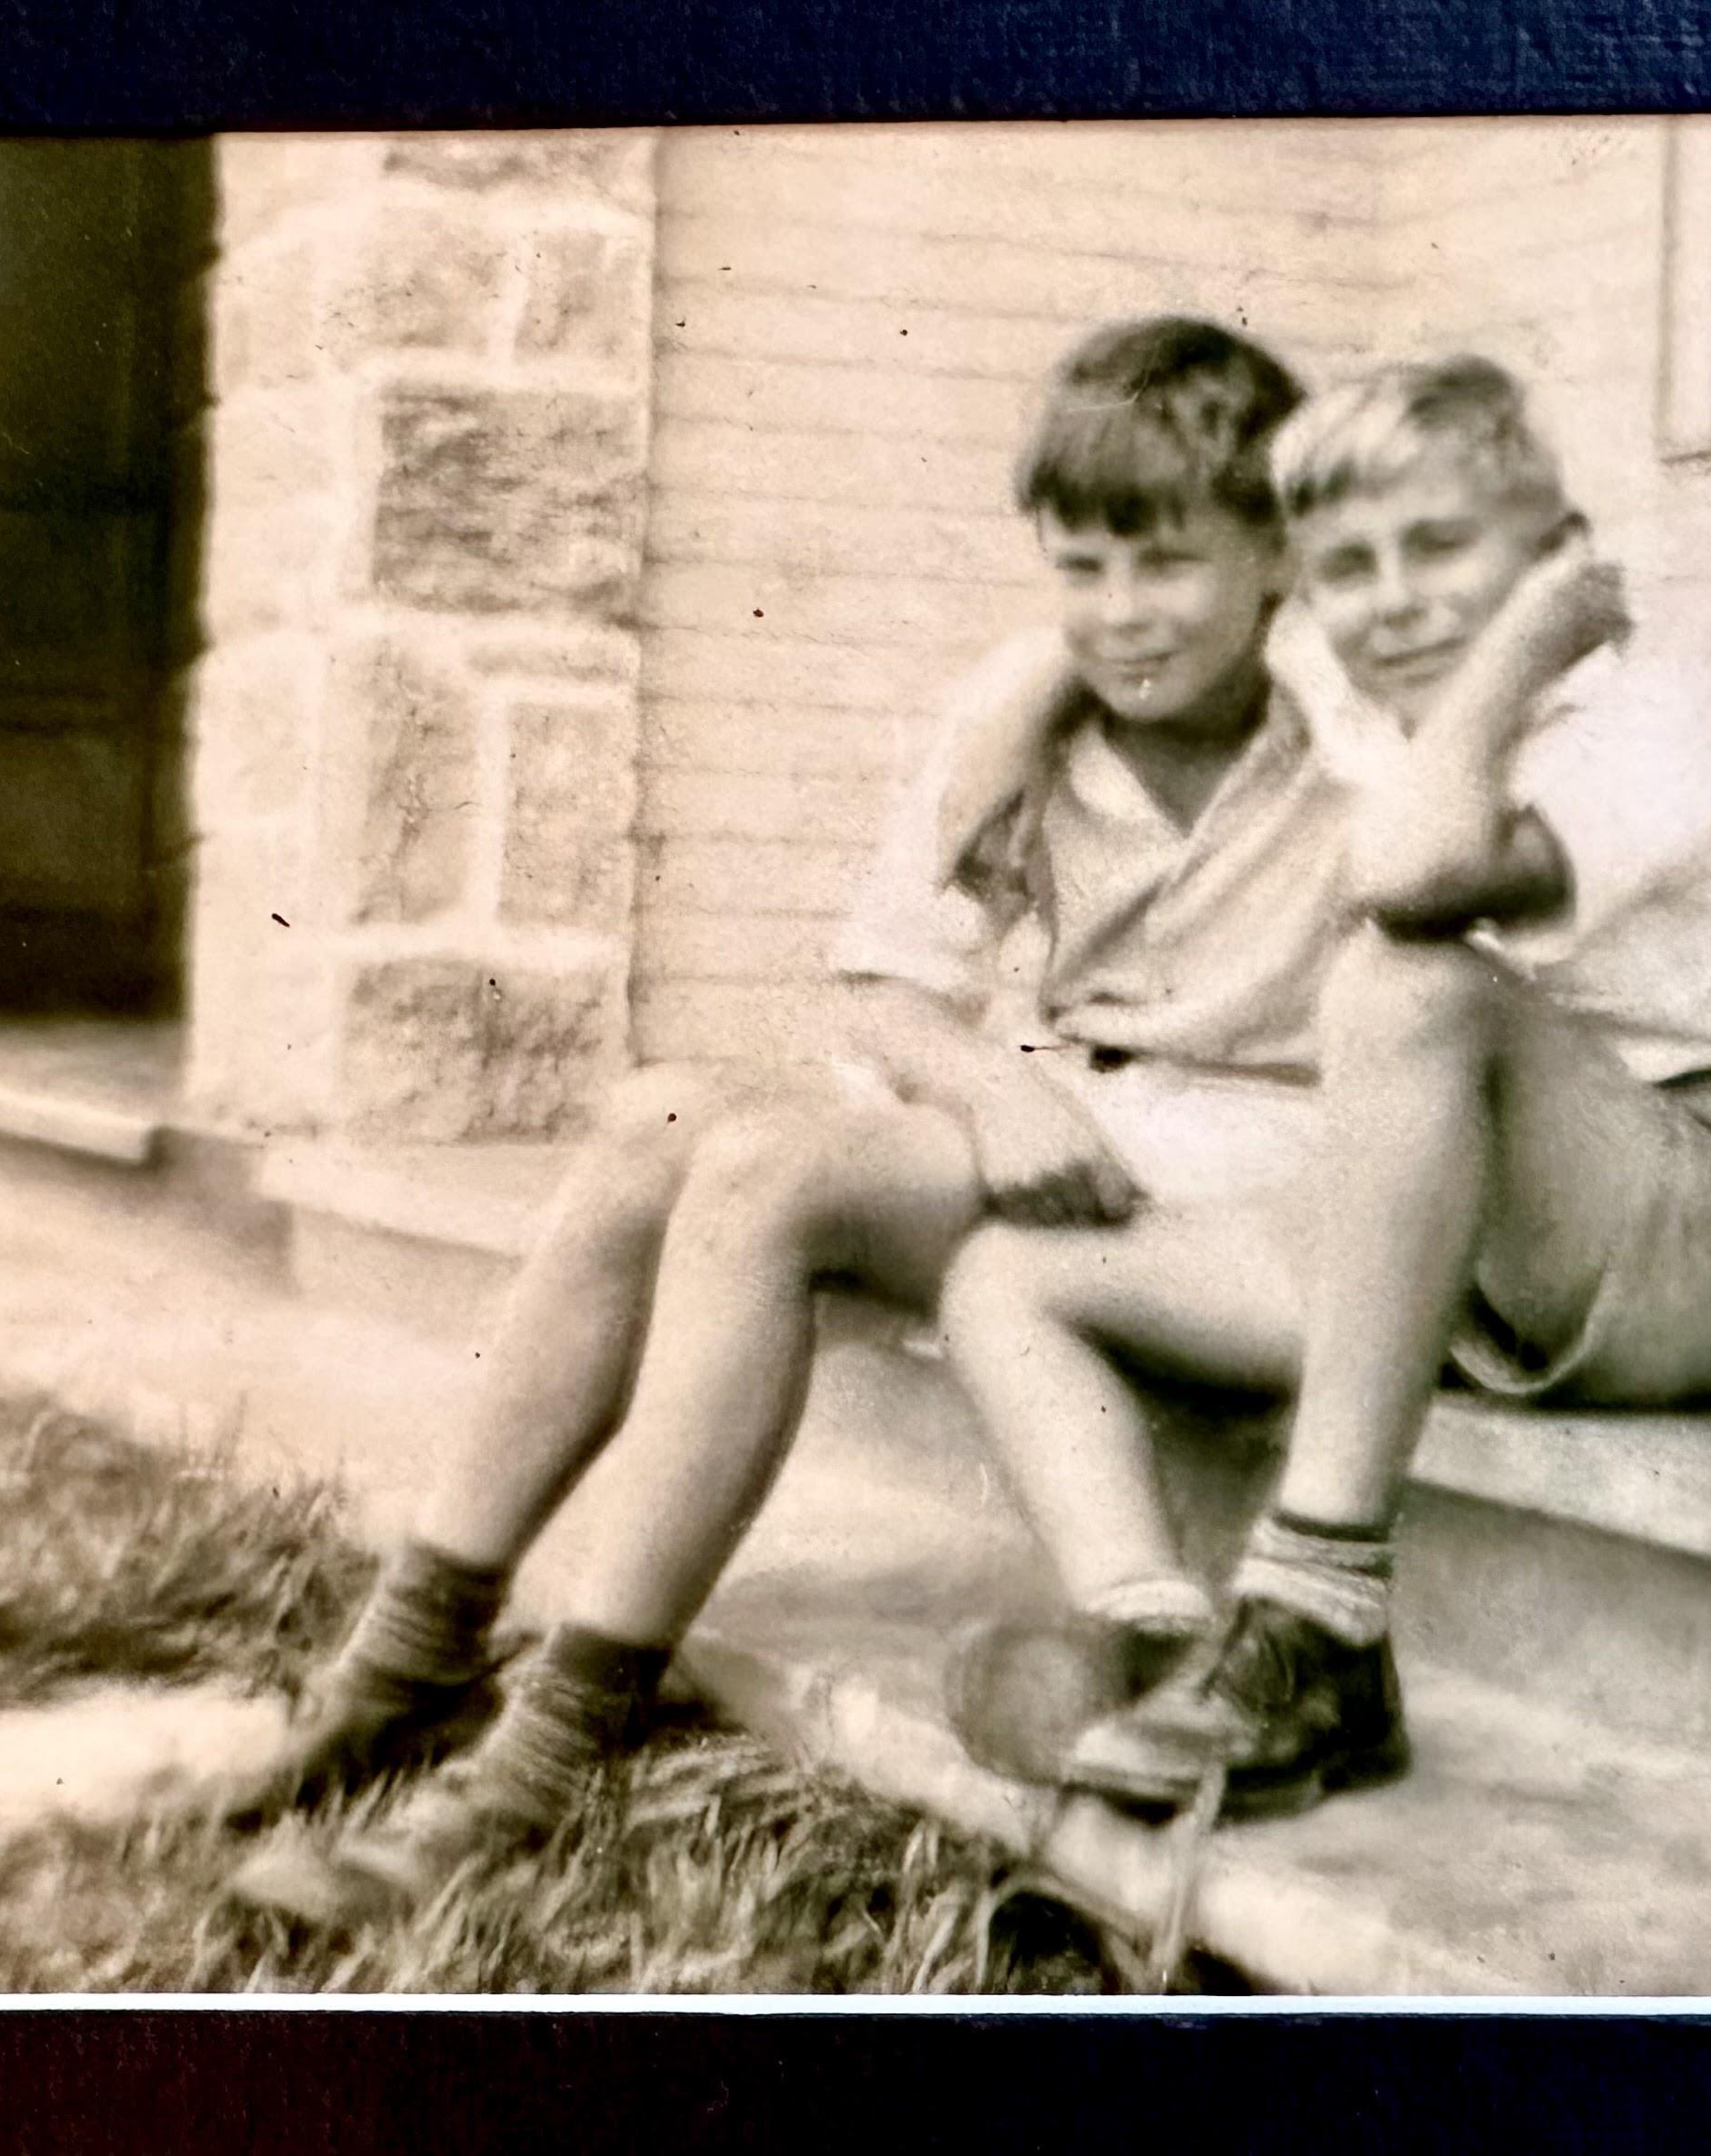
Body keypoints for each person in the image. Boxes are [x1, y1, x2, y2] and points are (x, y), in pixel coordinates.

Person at [222, 316, 1349, 1928]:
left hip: (1269, 1184)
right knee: (654, 1117)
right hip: (1096, 1128)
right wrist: (991, 1077)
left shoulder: (1346, 710)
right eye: (1078, 570)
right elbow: (886, 984)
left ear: (1278, 550)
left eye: (1163, 566)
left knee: (764, 1169)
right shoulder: (1031, 712)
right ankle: (404, 1657)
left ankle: (547, 1748)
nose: (1115, 616)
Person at [932, 355, 1711, 1823]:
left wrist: (1516, 652)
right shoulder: (1375, 703)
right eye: (1349, 568)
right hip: (1500, 1252)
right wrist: (1029, 700)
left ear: (1553, 560)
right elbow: (1188, 629)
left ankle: (1320, 1615)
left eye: (1440, 549)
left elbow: (1418, 875)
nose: (1395, 599)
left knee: (1402, 980)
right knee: (1009, 1273)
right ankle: (1151, 1631)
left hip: (1708, 1223)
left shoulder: (1642, 714)